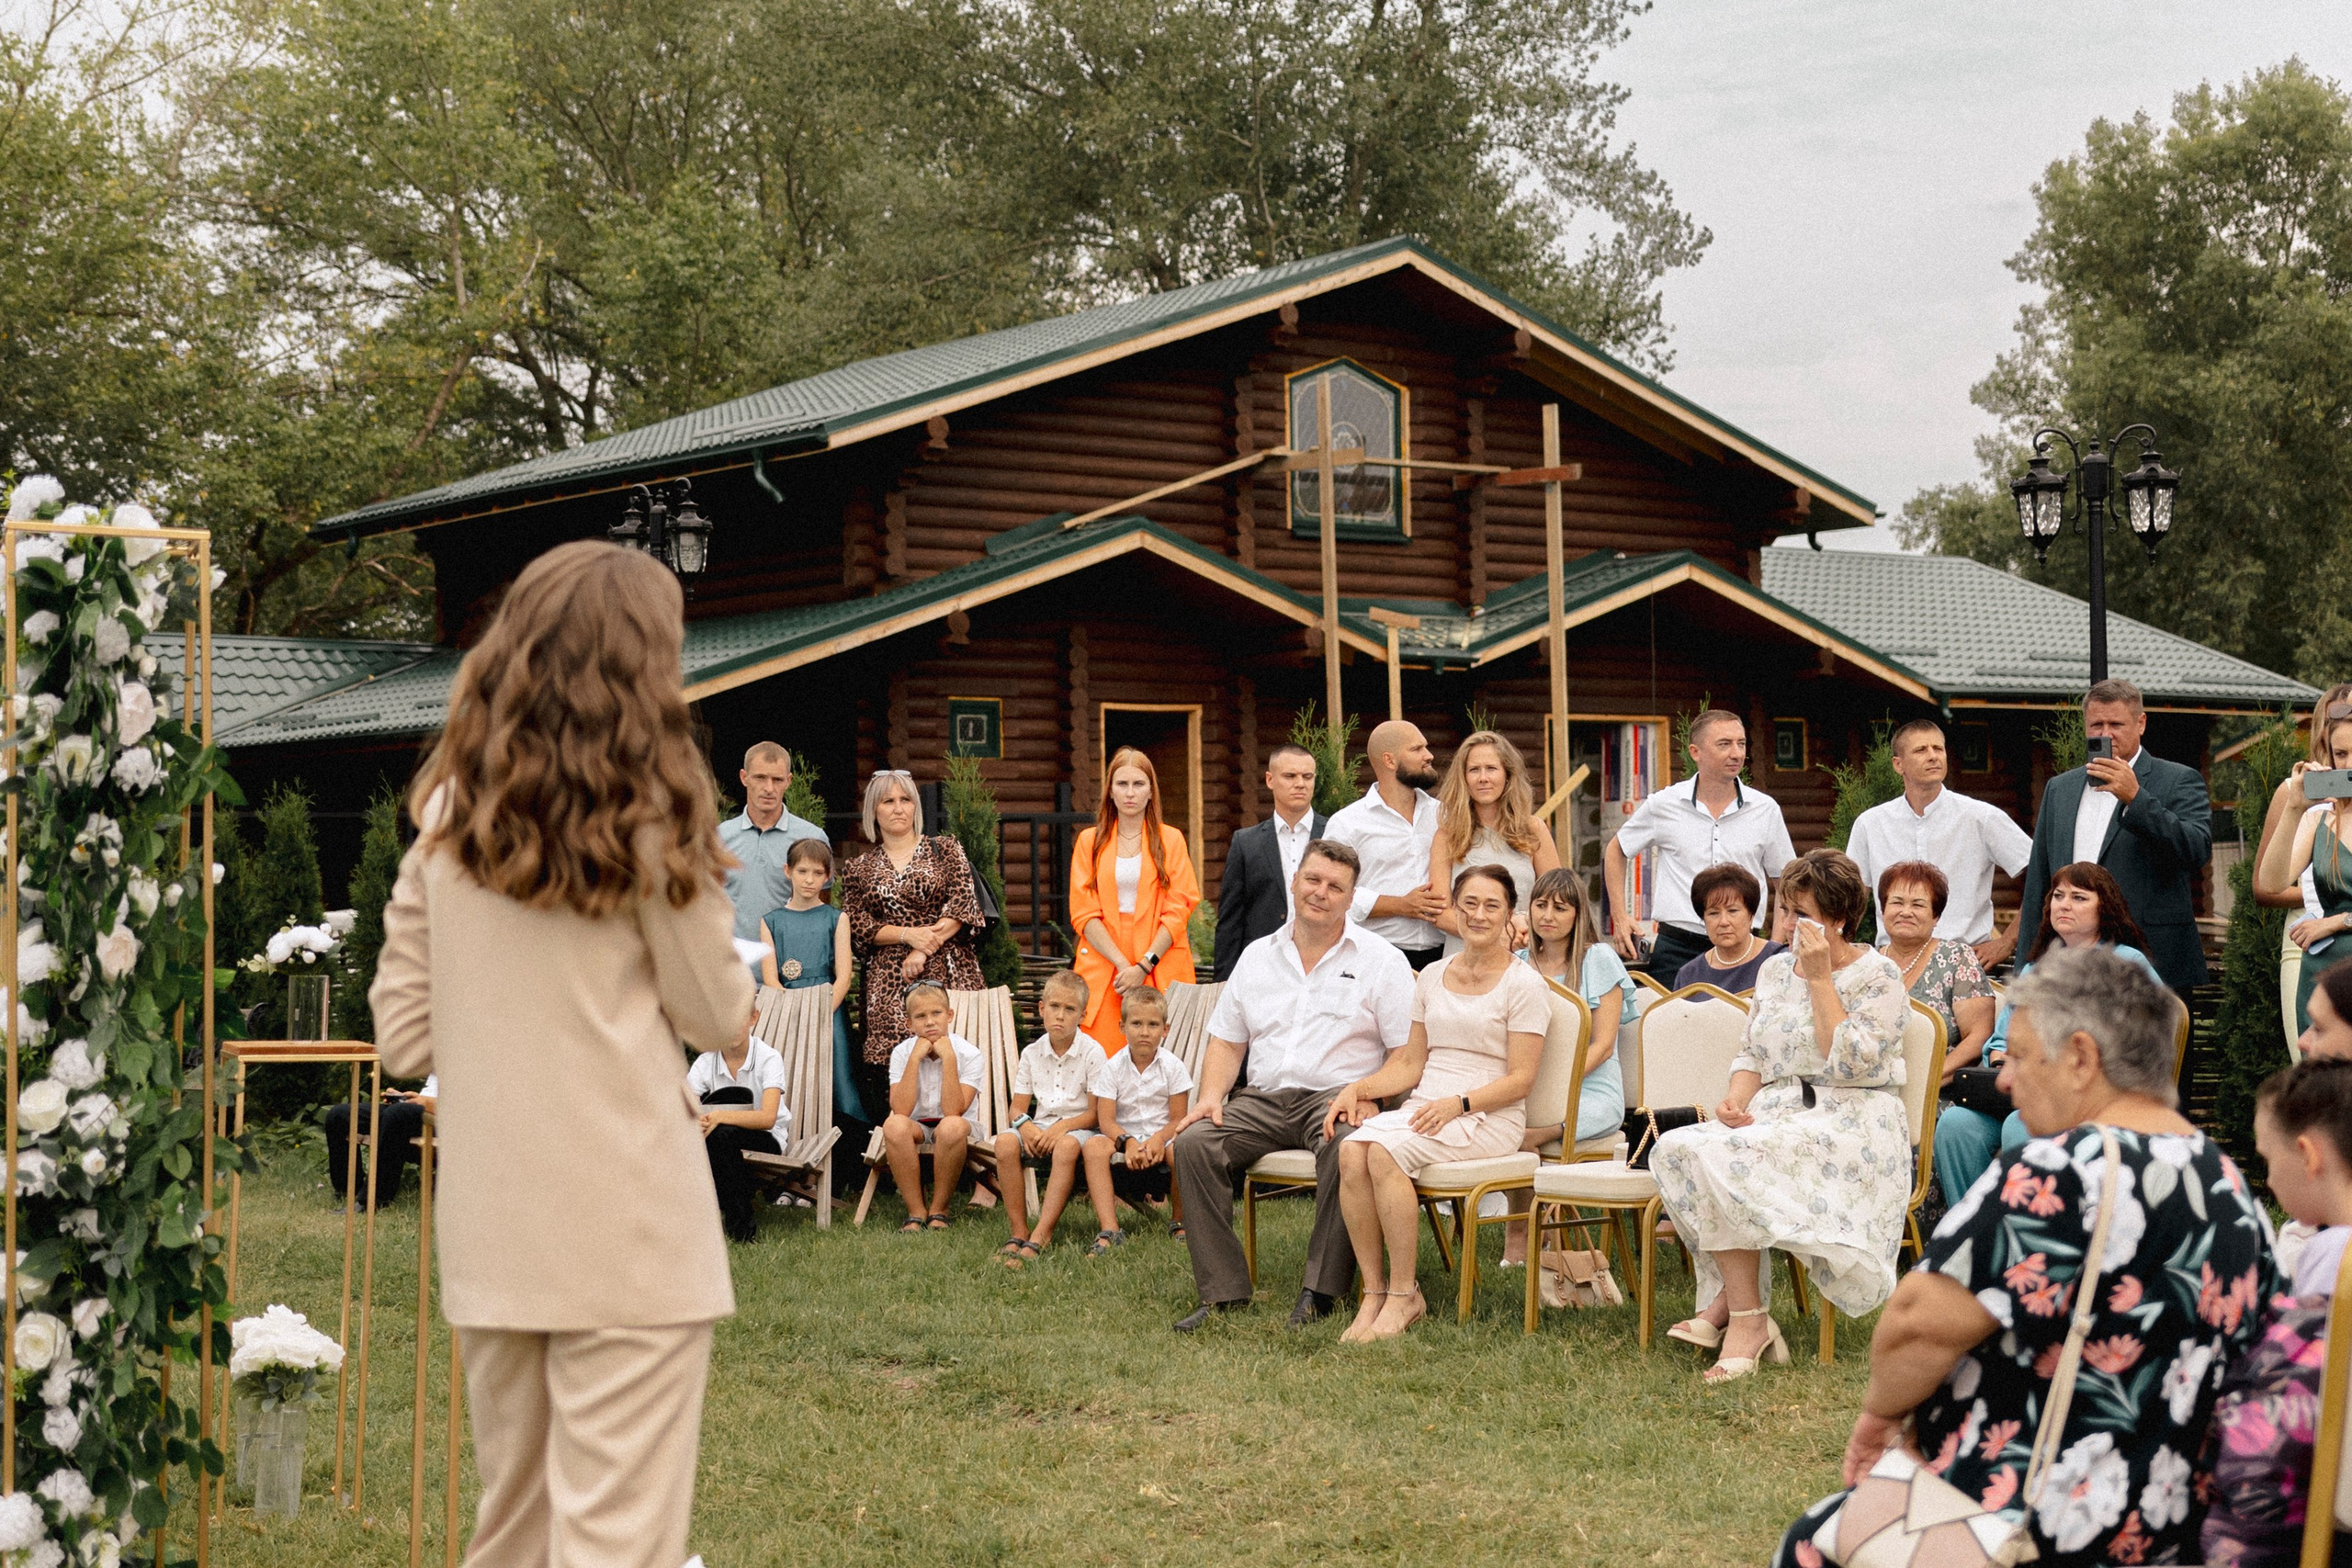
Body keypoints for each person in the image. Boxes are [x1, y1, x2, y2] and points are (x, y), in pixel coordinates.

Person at [369, 540, 754, 1568]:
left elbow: (403, 1033)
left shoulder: (446, 817)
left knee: (515, 1536)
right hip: (632, 1224)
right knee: (616, 1545)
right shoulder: (655, 816)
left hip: (495, 1228)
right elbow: (718, 1011)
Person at [1773, 945, 2274, 1568]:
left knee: (1814, 1542)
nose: (2005, 1080)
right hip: (2172, 1533)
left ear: (2081, 1058)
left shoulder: (2060, 1172)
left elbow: (1917, 1323)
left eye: (2017, 1056)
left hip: (2032, 1524)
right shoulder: (2234, 1192)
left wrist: (1879, 1416)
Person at [1650, 849, 1911, 1383]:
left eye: (1801, 914)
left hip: (1851, 1117)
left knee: (1728, 1156)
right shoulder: (1773, 970)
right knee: (1681, 1146)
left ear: (1839, 919)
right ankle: (1739, 1303)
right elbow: (1753, 1051)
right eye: (1785, 911)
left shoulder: (1879, 974)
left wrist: (1820, 979)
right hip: (1777, 1109)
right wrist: (1734, 1100)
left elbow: (1849, 1060)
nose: (1787, 925)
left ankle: (1744, 1318)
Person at [1168, 840, 1415, 1331]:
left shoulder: (1381, 960)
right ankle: (1224, 1294)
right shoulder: (1257, 956)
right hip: (1261, 1099)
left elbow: (1406, 1053)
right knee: (1194, 1142)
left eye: (1335, 887)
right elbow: (1227, 1042)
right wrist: (1211, 1097)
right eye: (1313, 880)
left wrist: (1373, 1095)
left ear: (1352, 898)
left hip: (1337, 1099)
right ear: (1295, 881)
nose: (1320, 893)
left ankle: (1321, 1292)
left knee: (1350, 1145)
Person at [1323, 864, 1547, 1342]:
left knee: (1383, 1153)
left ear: (1510, 914)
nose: (1479, 915)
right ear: (1455, 909)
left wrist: (1459, 1104)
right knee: (1351, 1150)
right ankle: (1374, 1292)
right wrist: (1359, 1089)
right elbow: (1410, 1064)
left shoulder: (1524, 985)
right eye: (1469, 904)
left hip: (1489, 1115)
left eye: (1492, 906)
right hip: (1428, 1107)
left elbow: (1522, 1080)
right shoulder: (1432, 976)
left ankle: (1405, 1294)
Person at [1933, 862, 2164, 1201]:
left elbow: (2151, 1035)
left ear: (2105, 908)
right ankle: (1976, 1227)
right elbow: (2001, 1040)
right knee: (1956, 1125)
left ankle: (2032, 1227)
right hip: (2022, 1089)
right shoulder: (2035, 969)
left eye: (2079, 897)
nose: (2064, 905)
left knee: (2019, 1125)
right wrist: (2001, 1060)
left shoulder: (2126, 963)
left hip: (2093, 1095)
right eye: (2058, 896)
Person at [2201, 1057, 2352, 1568]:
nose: (2266, 1177)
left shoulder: (2332, 1256)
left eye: (2267, 1158)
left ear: (2308, 1155)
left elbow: (2304, 1387)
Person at [2017, 678, 2213, 993]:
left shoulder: (2178, 780)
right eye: (2097, 725)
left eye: (2116, 725)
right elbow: (2039, 882)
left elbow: (2196, 849)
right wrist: (2026, 967)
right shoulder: (2060, 788)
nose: (2105, 734)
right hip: (2068, 963)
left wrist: (2136, 799)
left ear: (2141, 723)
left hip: (2153, 962)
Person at [1498, 867, 1638, 1268]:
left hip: (1589, 1087)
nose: (1547, 916)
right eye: (1540, 905)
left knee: (1525, 1134)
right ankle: (1529, 1228)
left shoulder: (1598, 959)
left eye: (1560, 908)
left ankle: (1525, 1230)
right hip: (1529, 1084)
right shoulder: (1517, 963)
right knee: (1510, 1118)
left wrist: (1559, 1083)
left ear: (1578, 915)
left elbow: (1604, 1044)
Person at [1605, 708, 1796, 984]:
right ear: (1696, 752)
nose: (1736, 753)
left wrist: (1774, 948)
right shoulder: (1664, 804)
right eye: (1724, 744)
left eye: (1741, 744)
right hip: (1676, 950)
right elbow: (1616, 850)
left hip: (1746, 951)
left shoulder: (1765, 809)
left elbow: (1787, 883)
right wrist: (1620, 917)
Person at [841, 772, 983, 1115]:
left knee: (953, 1056)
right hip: (888, 985)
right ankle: (899, 1139)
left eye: (905, 800)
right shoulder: (859, 867)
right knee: (895, 1069)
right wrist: (906, 935)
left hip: (950, 971)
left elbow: (963, 904)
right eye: (888, 801)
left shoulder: (945, 849)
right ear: (873, 810)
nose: (898, 808)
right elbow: (857, 924)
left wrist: (922, 947)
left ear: (915, 807)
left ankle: (958, 1138)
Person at [1845, 717, 2033, 968]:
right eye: (1921, 750)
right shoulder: (1870, 824)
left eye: (1938, 749)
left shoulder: (1981, 817)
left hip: (1965, 964)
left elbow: (2043, 873)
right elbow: (1851, 897)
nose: (1933, 756)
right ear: (1898, 765)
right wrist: (1843, 955)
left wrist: (2007, 942)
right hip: (1891, 967)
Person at [1874, 861, 1996, 1205]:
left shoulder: (1956, 958)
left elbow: (1979, 1036)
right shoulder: (1868, 961)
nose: (1905, 912)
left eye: (1918, 904)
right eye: (1897, 902)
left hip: (1937, 1091)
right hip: (1875, 1088)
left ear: (1936, 915)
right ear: (1883, 909)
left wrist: (1926, 1080)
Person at [1069, 748, 1201, 1052]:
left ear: (1151, 791)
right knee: (1102, 1056)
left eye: (1139, 784)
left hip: (1158, 958)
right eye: (1122, 784)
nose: (1130, 793)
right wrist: (1122, 965)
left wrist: (1143, 966)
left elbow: (1179, 910)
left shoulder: (1172, 840)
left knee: (1163, 1057)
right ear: (1110, 791)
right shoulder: (1089, 841)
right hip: (1106, 962)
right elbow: (1084, 913)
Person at [990, 970, 1108, 1268]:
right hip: (1042, 1126)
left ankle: (1042, 1232)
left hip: (1080, 1127)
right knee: (1005, 1143)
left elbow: (1095, 1113)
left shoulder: (1093, 1052)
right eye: (1054, 1007)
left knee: (1066, 1146)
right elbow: (1016, 1109)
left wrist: (1062, 1127)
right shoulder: (1032, 1053)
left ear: (1082, 1015)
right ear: (1042, 1008)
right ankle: (1019, 1231)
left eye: (1070, 1009)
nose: (1060, 1015)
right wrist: (1025, 1127)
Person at [756, 836, 867, 1129]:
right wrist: (794, 1013)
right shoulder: (771, 922)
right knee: (789, 1077)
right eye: (802, 871)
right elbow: (771, 978)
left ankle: (851, 1148)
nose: (809, 880)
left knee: (839, 1078)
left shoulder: (836, 918)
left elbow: (844, 976)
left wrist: (821, 1011)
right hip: (786, 1013)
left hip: (829, 1011)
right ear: (787, 871)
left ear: (828, 876)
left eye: (818, 873)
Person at [2255, 700, 2352, 1035]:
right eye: (2341, 754)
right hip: (2324, 976)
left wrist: (2337, 921)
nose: (2349, 764)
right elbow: (2271, 883)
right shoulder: (2319, 819)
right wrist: (2294, 809)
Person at [1324, 720, 1446, 970]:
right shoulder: (1347, 823)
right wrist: (1400, 905)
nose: (1429, 755)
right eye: (1417, 749)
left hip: (1445, 955)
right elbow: (1333, 890)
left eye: (1426, 747)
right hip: (1376, 957)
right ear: (1389, 761)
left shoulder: (1444, 815)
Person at [1428, 729, 1561, 954]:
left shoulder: (1533, 829)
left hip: (1523, 952)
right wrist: (1496, 934)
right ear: (1463, 778)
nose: (1483, 778)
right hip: (1465, 957)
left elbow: (1557, 900)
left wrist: (1523, 927)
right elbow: (1440, 914)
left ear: (1507, 774)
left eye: (1491, 768)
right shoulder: (1447, 836)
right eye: (1474, 770)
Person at [1085, 986, 1193, 1237]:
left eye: (1153, 1025)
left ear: (1165, 1029)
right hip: (1122, 1138)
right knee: (1093, 1147)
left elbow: (1178, 1119)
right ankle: (1109, 1228)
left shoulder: (1173, 1067)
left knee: (1180, 1148)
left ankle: (1179, 1221)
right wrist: (1128, 1142)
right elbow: (1106, 1121)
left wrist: (1158, 1138)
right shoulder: (1112, 1068)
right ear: (1122, 1027)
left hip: (1163, 1138)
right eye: (1136, 1024)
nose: (1144, 1032)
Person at [1213, 743, 1327, 981]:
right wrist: (1223, 983)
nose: (1300, 783)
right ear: (1270, 780)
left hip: (1324, 961)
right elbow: (1230, 921)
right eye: (1290, 776)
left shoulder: (1335, 833)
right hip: (1262, 967)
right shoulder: (1246, 842)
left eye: (1307, 776)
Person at [880, 981, 985, 1232]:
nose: (929, 1022)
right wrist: (915, 1058)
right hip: (917, 1125)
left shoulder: (969, 1054)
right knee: (893, 1125)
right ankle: (916, 1211)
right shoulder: (902, 1053)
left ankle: (939, 1209)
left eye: (936, 1013)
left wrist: (948, 1058)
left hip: (961, 1128)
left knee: (950, 1126)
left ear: (949, 1015)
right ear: (909, 1023)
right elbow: (901, 1110)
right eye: (920, 1016)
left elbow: (953, 1111)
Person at [689, 997, 791, 1245]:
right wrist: (696, 1119)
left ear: (753, 1018)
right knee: (713, 1136)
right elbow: (684, 1107)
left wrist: (719, 1116)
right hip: (719, 1138)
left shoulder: (768, 1058)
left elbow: (767, 1118)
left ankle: (741, 1231)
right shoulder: (707, 1061)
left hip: (767, 1138)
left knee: (721, 1134)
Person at [718, 740, 825, 942]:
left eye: (777, 779)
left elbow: (821, 908)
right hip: (733, 957)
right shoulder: (719, 837)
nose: (769, 788)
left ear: (788, 781)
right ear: (744, 777)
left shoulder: (812, 838)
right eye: (760, 778)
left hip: (790, 957)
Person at [1671, 863, 1785, 994]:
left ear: (1751, 915)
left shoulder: (1779, 959)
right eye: (1713, 913)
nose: (1723, 922)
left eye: (1732, 911)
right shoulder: (1689, 974)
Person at [323, 1076, 435, 1208]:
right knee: (339, 1115)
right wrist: (410, 1098)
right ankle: (348, 1189)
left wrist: (429, 1103)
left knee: (396, 1114)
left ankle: (374, 1201)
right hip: (423, 1110)